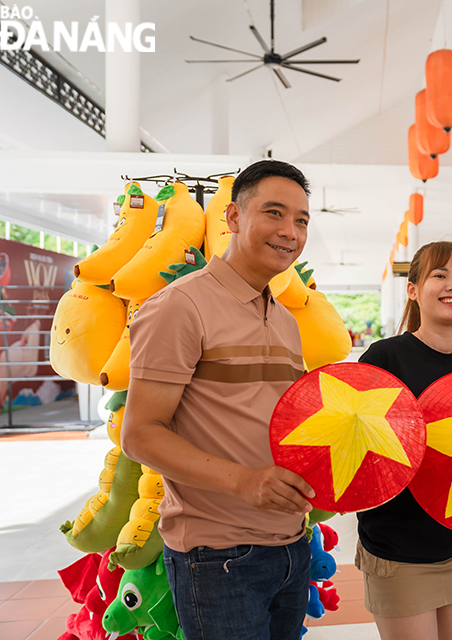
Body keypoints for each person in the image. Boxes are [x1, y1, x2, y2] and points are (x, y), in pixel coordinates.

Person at [121, 160, 316, 640]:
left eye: (302, 220)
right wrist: (246, 482)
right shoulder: (180, 306)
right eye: (274, 213)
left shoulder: (286, 319)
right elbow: (140, 435)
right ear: (232, 217)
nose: (289, 231)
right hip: (219, 557)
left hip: (291, 546)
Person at [356, 241, 452, 640]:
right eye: (440, 274)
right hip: (398, 547)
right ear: (414, 289)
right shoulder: (383, 360)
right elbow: (358, 453)